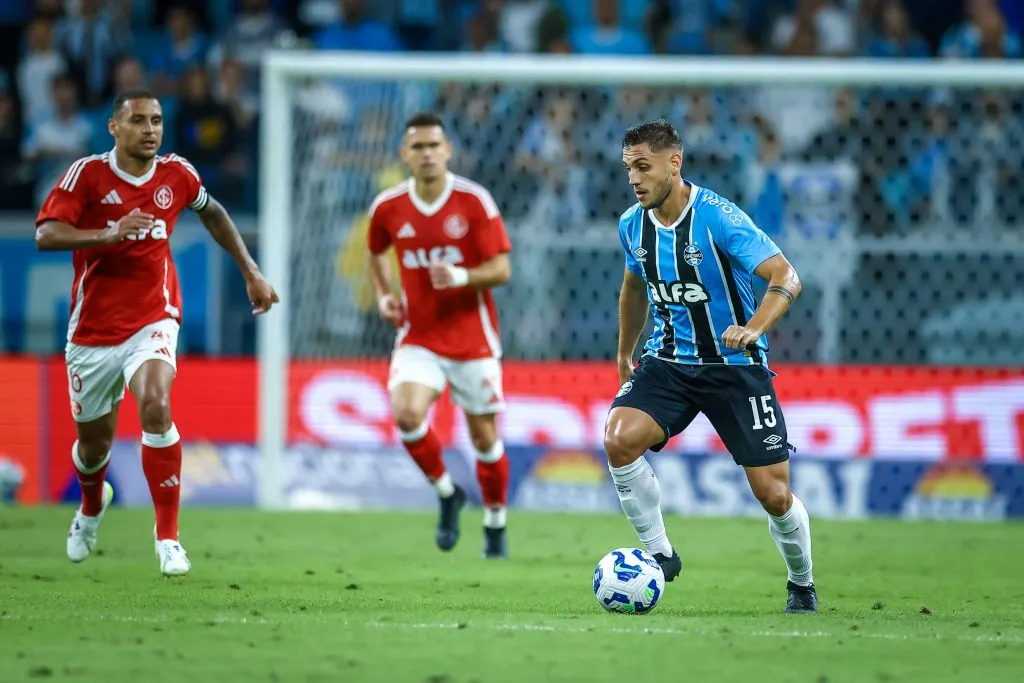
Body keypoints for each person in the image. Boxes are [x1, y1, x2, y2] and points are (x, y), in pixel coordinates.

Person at [35, 89, 278, 577]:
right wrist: (107, 234)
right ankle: (90, 507)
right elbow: (46, 234)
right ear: (114, 127)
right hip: (92, 332)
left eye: (157, 121)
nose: (150, 129)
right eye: (139, 120)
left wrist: (250, 269)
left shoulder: (177, 174)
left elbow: (211, 210)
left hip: (154, 317)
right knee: (93, 451)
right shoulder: (87, 175)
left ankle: (168, 538)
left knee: (156, 405)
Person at [604, 119, 817, 613]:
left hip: (735, 367)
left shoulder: (718, 218)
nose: (634, 179)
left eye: (643, 167)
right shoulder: (631, 224)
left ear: (673, 164)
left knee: (774, 494)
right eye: (627, 168)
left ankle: (801, 583)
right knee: (619, 438)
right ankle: (659, 553)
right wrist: (623, 350)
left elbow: (786, 276)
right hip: (669, 361)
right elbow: (634, 285)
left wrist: (755, 328)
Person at [366, 112, 512, 558]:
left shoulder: (474, 202)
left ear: (448, 150)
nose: (427, 154)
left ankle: (494, 523)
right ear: (405, 155)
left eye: (435, 146)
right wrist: (383, 294)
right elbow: (375, 252)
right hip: (419, 336)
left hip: (473, 339)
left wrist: (462, 275)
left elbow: (503, 269)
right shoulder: (388, 206)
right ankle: (447, 493)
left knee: (484, 440)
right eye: (418, 147)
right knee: (407, 416)